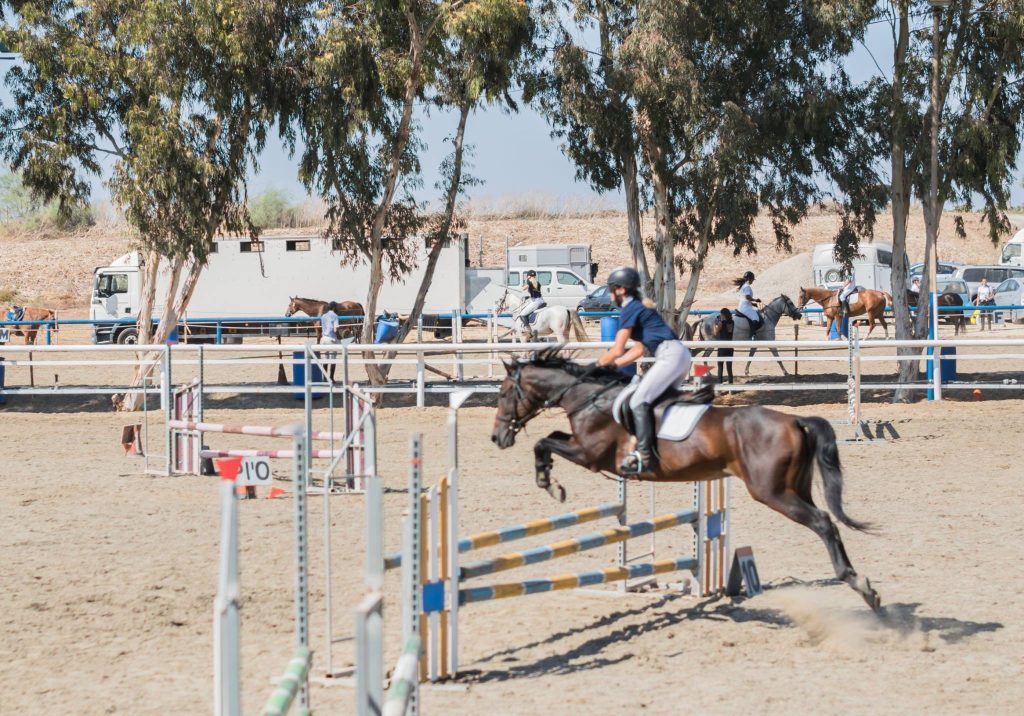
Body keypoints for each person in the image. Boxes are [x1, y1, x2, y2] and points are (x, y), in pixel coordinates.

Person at [596, 266, 690, 475]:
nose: (610, 295)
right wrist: (614, 366)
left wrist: (596, 366)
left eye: (611, 290)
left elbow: (617, 349)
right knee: (659, 402)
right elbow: (638, 350)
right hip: (679, 355)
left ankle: (644, 457)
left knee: (638, 401)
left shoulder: (630, 308)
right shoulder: (639, 307)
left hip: (670, 356)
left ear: (621, 290)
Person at [319, 301, 340, 381]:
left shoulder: (323, 316)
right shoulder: (335, 316)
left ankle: (324, 378)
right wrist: (339, 337)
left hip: (324, 338)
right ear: (334, 307)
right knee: (333, 360)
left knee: (325, 359)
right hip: (331, 339)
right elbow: (335, 329)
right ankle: (331, 378)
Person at [715, 308, 734, 384]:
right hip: (730, 347)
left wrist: (716, 324)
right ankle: (731, 386)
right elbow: (729, 331)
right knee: (729, 368)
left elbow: (716, 333)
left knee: (720, 368)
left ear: (723, 315)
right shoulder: (732, 322)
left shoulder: (721, 323)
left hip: (722, 347)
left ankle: (719, 385)